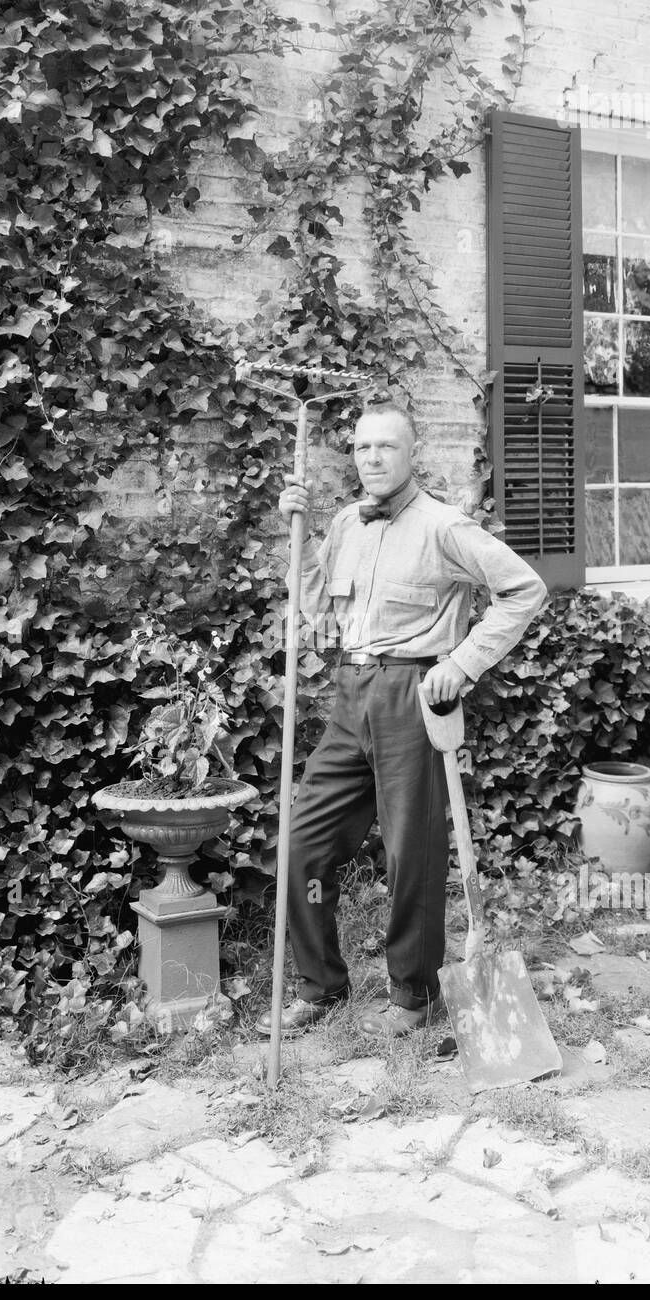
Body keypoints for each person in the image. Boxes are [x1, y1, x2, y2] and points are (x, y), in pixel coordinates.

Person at [257, 395, 548, 1040]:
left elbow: (524, 590)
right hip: (349, 693)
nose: (372, 458)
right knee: (303, 844)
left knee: (409, 852)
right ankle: (321, 983)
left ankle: (413, 992)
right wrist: (298, 539)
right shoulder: (342, 526)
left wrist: (464, 663)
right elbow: (313, 608)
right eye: (362, 447)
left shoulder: (445, 527)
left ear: (413, 452)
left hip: (412, 696)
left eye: (385, 446)